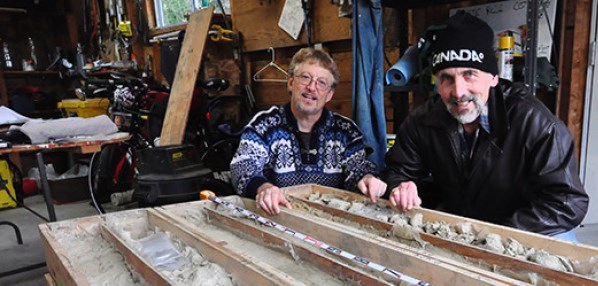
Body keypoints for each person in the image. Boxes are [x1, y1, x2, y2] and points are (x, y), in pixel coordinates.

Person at [384, 11, 588, 241]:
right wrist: (401, 186)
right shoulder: (422, 121)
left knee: (558, 259)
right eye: (446, 78)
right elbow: (398, 170)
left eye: (469, 74)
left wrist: (500, 236)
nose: (458, 92)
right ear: (437, 84)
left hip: (523, 228)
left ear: (493, 78)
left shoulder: (535, 122)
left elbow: (568, 201)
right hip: (461, 222)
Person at [231, 47, 387, 215]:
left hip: (330, 223)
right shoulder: (265, 125)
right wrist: (264, 188)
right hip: (278, 216)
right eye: (305, 78)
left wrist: (368, 179)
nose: (312, 87)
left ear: (329, 95)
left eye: (321, 82)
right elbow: (243, 166)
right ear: (291, 83)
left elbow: (358, 169)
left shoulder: (346, 131)